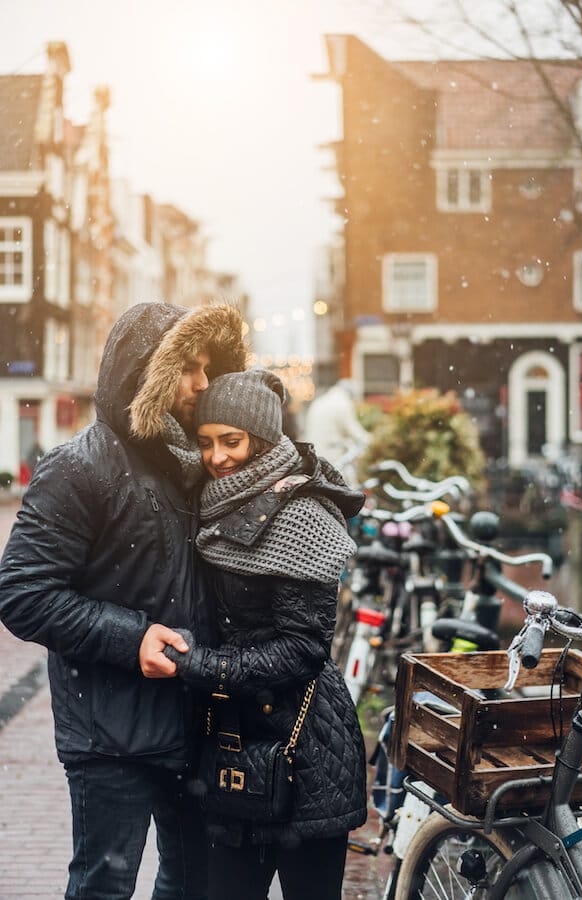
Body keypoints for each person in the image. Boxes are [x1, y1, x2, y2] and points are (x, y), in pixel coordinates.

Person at [0, 301, 247, 900]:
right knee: (104, 885)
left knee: (193, 883)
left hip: (194, 718)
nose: (202, 385)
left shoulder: (197, 465)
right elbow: (22, 592)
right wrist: (131, 637)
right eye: (187, 368)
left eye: (209, 369)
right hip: (110, 731)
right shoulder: (78, 468)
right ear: (145, 372)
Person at [163, 368, 367, 900]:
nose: (217, 457)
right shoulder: (212, 502)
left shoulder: (303, 516)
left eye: (231, 441)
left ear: (263, 438)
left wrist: (202, 667)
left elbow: (304, 649)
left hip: (308, 752)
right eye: (206, 443)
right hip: (231, 745)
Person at [303, 379, 369, 468]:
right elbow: (354, 431)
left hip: (313, 453)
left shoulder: (320, 401)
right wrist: (370, 440)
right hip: (332, 455)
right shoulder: (342, 403)